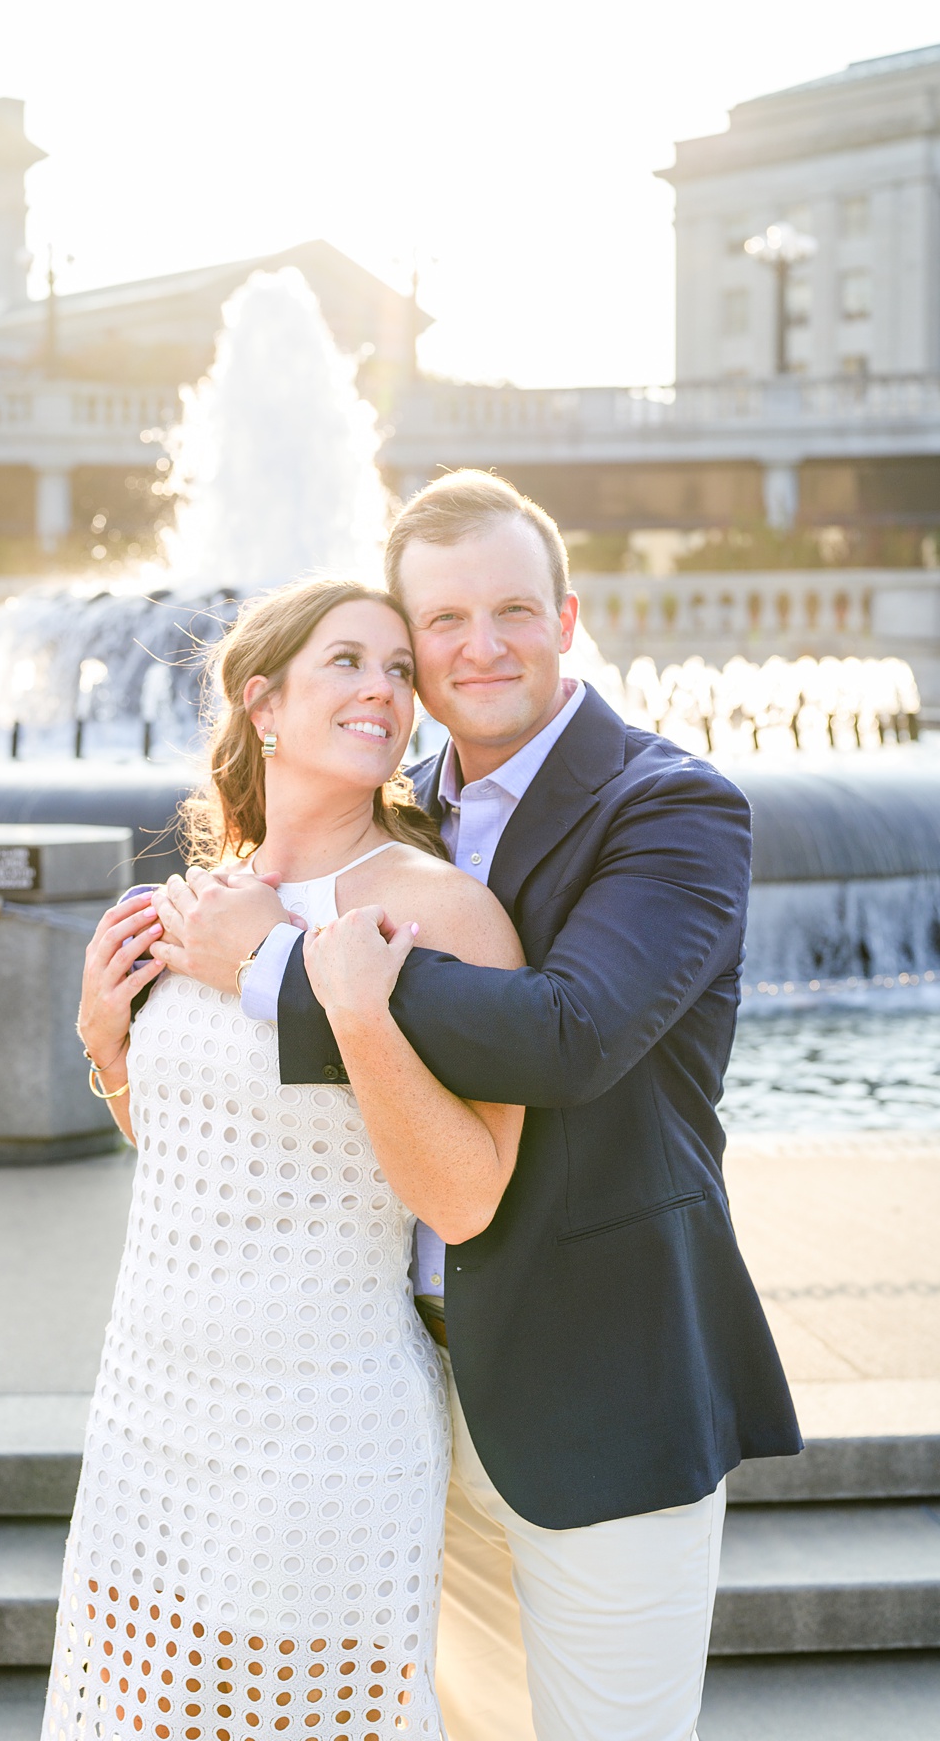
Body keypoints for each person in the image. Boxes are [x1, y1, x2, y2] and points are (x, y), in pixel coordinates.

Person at [149, 472, 799, 1741]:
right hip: (387, 1402)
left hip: (601, 1380)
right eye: (442, 622)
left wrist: (275, 964)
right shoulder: (393, 810)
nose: (479, 646)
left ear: (569, 615)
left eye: (511, 609)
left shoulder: (671, 807)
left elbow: (574, 1034)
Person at [53, 576, 527, 1740]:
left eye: (399, 671)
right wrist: (107, 1049)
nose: (383, 688)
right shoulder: (197, 901)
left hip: (323, 1428)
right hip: (149, 1410)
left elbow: (468, 1197)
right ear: (262, 702)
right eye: (348, 663)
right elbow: (208, 1163)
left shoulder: (445, 914)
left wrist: (353, 1009)